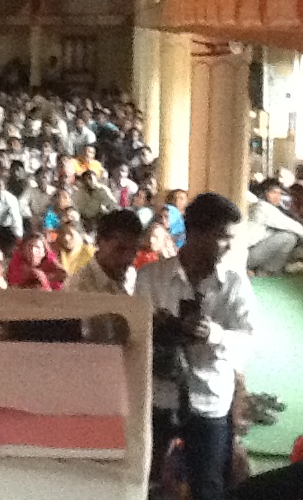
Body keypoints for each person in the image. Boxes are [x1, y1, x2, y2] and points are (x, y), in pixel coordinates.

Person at [136, 193, 254, 500]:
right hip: (158, 397)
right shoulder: (151, 278)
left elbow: (247, 341)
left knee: (208, 487)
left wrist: (214, 334)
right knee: (143, 482)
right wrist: (163, 328)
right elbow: (134, 336)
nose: (229, 246)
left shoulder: (235, 284)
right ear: (196, 233)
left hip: (210, 398)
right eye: (223, 237)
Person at [65, 210, 143, 295]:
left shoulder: (130, 283)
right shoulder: (77, 288)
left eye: (133, 250)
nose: (127, 257)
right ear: (99, 241)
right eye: (120, 249)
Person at [246, 178, 303, 275]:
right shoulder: (263, 208)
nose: (278, 197)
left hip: (245, 253)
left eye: (280, 193)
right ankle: (268, 271)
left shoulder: (258, 205)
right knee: (288, 237)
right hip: (247, 255)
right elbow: (294, 227)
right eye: (273, 193)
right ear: (263, 193)